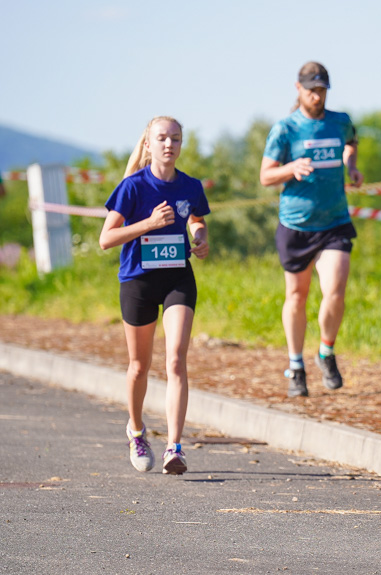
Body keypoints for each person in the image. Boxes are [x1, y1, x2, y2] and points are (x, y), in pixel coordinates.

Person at [99, 116, 210, 475]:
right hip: (139, 281)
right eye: (162, 138)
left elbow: (196, 218)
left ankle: (174, 448)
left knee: (176, 359)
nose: (169, 145)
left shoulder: (191, 186)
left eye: (175, 139)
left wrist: (199, 236)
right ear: (149, 143)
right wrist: (148, 223)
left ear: (181, 144)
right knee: (139, 366)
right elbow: (106, 239)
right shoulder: (132, 187)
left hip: (178, 277)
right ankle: (136, 431)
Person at [260, 61, 363, 398]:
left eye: (321, 91)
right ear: (298, 89)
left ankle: (326, 352)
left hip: (334, 221)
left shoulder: (339, 121)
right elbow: (265, 176)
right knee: (297, 296)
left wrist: (352, 166)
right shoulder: (285, 129)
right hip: (296, 224)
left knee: (335, 289)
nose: (316, 97)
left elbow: (351, 142)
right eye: (310, 91)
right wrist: (291, 167)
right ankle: (296, 366)